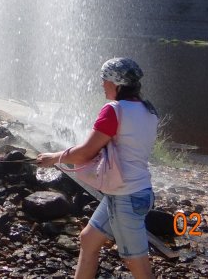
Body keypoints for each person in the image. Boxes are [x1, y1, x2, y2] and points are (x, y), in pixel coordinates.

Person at [37, 57, 159, 279]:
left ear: (117, 83)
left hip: (125, 197)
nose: (102, 83)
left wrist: (54, 158)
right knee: (88, 239)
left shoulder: (114, 110)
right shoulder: (148, 110)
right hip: (137, 192)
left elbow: (86, 152)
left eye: (105, 79)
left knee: (138, 265)